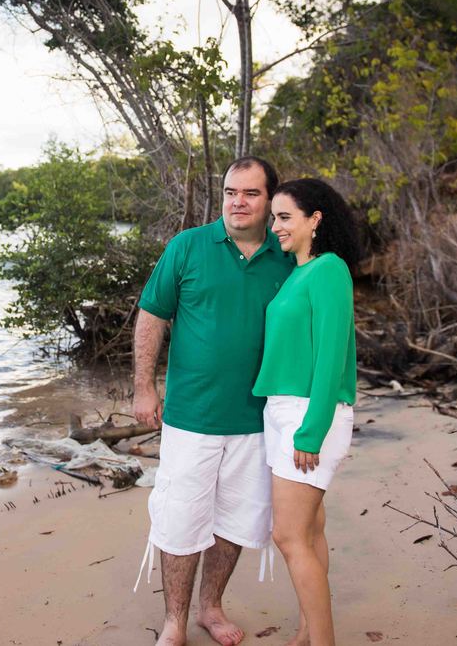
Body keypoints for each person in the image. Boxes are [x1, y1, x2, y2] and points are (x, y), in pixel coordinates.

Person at [133, 157, 295, 646]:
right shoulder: (188, 247)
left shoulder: (287, 258)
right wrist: (144, 386)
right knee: (181, 519)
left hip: (257, 418)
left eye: (250, 193)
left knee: (236, 521)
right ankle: (174, 623)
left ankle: (211, 608)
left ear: (271, 200)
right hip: (192, 417)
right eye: (230, 192)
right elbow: (151, 316)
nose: (238, 202)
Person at [253, 178, 360, 646]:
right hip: (281, 411)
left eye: (284, 217)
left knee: (288, 536)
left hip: (309, 416)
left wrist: (311, 431)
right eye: (273, 216)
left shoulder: (330, 270)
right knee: (311, 531)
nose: (274, 226)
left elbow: (331, 355)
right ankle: (307, 632)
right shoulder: (298, 271)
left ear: (315, 220)